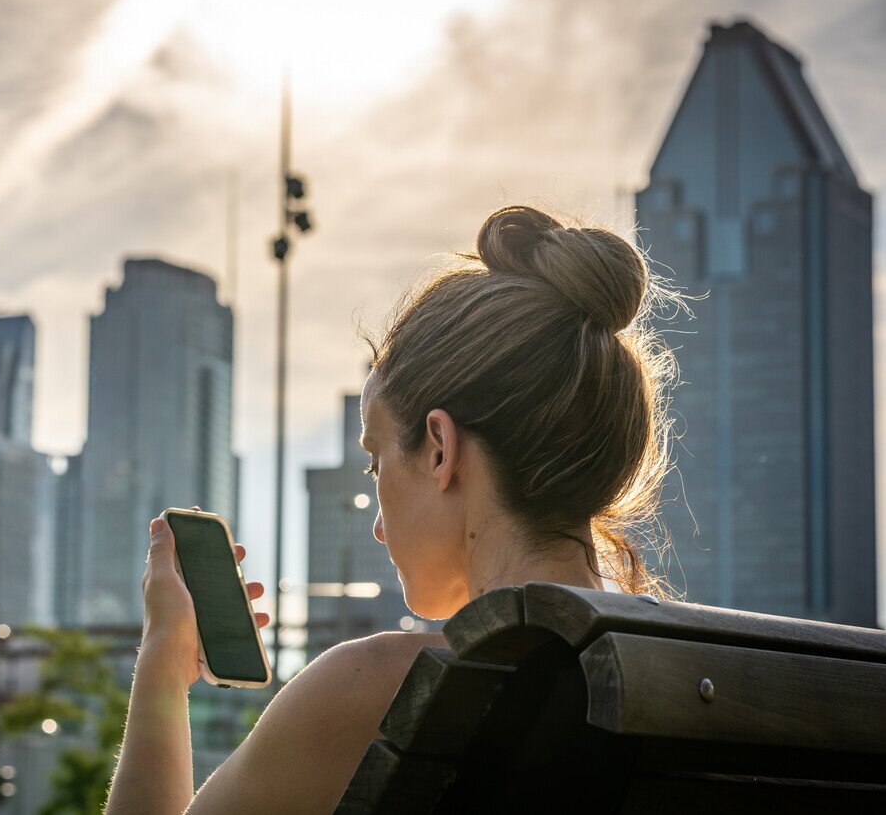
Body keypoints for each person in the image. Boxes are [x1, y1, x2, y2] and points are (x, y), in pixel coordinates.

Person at [104, 205, 678, 814]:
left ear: (438, 450)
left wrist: (163, 664)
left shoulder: (376, 690)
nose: (378, 525)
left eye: (377, 463)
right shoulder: (699, 683)